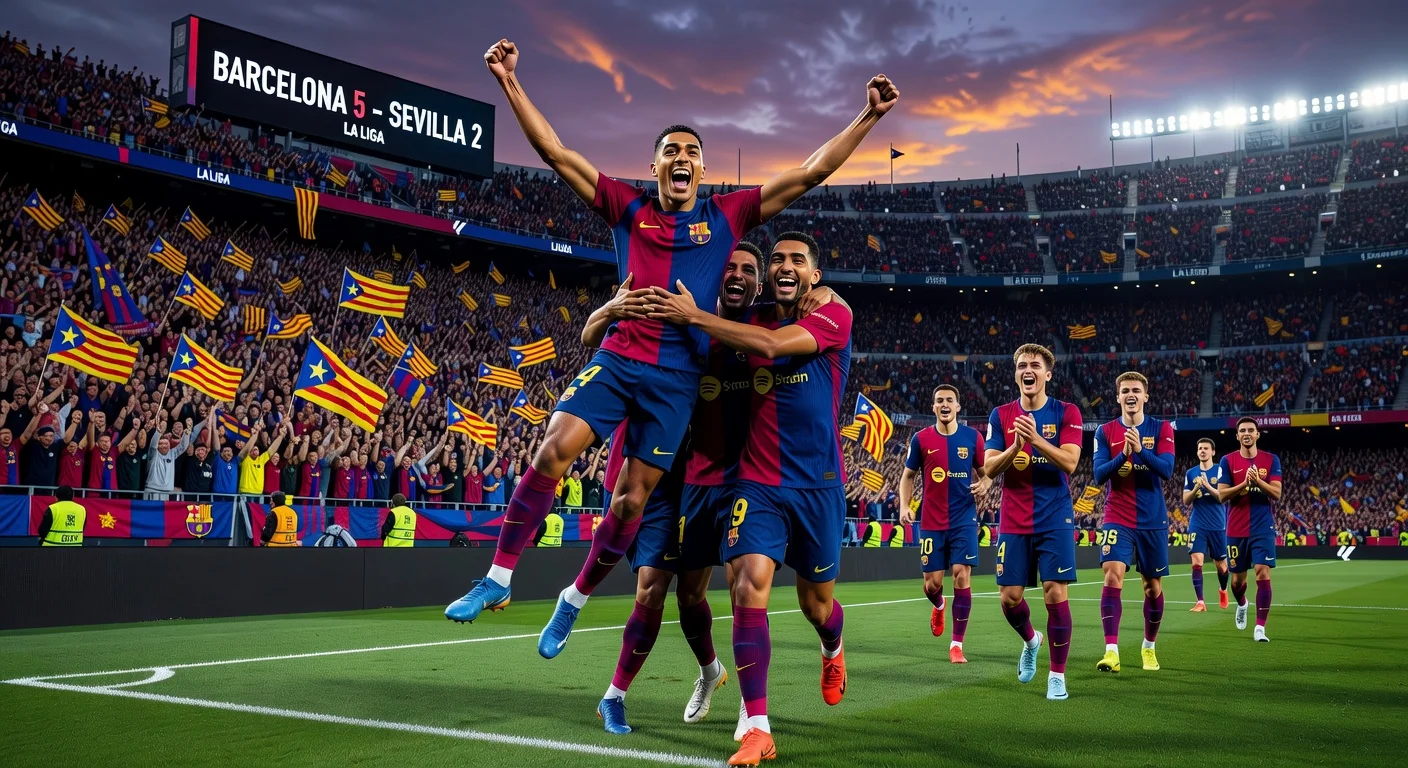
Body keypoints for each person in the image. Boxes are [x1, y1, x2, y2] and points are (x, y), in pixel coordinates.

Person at [445, 38, 897, 625]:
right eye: (670, 151)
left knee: (633, 498)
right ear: (655, 165)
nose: (680, 157)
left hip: (678, 380)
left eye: (690, 151)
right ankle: (499, 577)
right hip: (619, 358)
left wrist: (867, 115)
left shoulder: (726, 216)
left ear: (702, 170)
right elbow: (555, 152)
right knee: (553, 449)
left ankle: (575, 596)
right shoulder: (627, 208)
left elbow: (811, 172)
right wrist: (509, 80)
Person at [643, 232, 852, 765]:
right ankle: (757, 724)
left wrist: (696, 317)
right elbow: (729, 314)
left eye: (797, 260)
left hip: (819, 486)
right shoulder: (749, 318)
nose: (785, 265)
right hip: (756, 484)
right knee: (746, 586)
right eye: (777, 259)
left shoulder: (831, 317)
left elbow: (775, 348)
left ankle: (832, 646)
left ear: (815, 277)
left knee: (816, 604)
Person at [551, 245, 768, 735]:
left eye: (748, 271)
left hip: (709, 479)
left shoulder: (756, 333)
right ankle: (614, 697)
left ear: (758, 285)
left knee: (695, 596)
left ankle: (718, 675)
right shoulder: (676, 314)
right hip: (655, 473)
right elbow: (593, 336)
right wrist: (608, 309)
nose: (736, 276)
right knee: (650, 587)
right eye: (729, 267)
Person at [983, 343, 1082, 701]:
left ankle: (1057, 676)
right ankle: (1031, 640)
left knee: (1055, 593)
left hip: (1055, 515)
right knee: (1010, 599)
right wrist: (1015, 446)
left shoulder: (1066, 412)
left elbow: (1070, 463)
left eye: (1035, 365)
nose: (1028, 370)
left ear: (1047, 374)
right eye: (1022, 365)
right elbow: (990, 468)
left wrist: (1036, 439)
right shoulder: (1000, 415)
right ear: (1016, 374)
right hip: (1013, 517)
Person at [1091, 372, 1176, 674]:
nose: (1130, 394)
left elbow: (1166, 470)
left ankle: (1149, 647)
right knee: (1112, 575)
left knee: (1152, 588)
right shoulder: (1105, 431)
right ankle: (1111, 651)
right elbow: (1099, 475)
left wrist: (1140, 450)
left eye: (1136, 390)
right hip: (1118, 516)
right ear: (1117, 397)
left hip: (1153, 519)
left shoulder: (1161, 428)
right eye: (1125, 390)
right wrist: (1124, 455)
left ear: (1145, 396)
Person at [898, 384, 988, 664]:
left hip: (963, 520)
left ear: (958, 407)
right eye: (940, 401)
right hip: (932, 522)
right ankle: (938, 604)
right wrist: (904, 505)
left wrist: (985, 483)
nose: (945, 404)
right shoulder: (921, 439)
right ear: (934, 407)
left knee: (961, 575)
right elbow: (908, 476)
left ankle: (957, 645)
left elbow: (987, 473)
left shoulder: (973, 438)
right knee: (931, 584)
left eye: (950, 400)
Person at [1216, 417, 1283, 642]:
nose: (1246, 433)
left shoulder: (1271, 460)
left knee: (1263, 571)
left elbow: (1276, 493)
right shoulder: (1227, 461)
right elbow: (1221, 495)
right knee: (1237, 581)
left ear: (1257, 435)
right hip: (1236, 528)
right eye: (1242, 430)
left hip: (1262, 526)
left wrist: (1257, 482)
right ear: (1237, 436)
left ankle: (1260, 628)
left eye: (1250, 430)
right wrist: (1245, 484)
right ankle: (1243, 603)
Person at [1184, 437, 1230, 611]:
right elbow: (1185, 500)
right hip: (1197, 523)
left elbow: (1222, 497)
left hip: (1217, 524)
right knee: (1196, 562)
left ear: (1212, 452)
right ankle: (1200, 601)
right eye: (1200, 448)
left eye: (1205, 448)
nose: (1202, 451)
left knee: (1222, 565)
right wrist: (1196, 488)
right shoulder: (1190, 473)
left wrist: (1206, 486)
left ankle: (1223, 589)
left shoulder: (1220, 470)